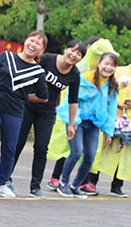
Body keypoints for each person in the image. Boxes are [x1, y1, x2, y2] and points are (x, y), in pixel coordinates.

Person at [0, 32, 48, 197]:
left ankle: (2, 184)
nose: (33, 44)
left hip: (15, 111)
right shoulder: (6, 56)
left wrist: (23, 96)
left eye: (38, 43)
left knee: (9, 148)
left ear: (41, 50)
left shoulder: (38, 72)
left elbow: (43, 97)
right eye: (32, 40)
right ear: (26, 40)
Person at [11, 40, 85, 197]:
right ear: (66, 49)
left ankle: (35, 186)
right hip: (28, 106)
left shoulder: (75, 75)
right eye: (73, 50)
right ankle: (6, 179)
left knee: (41, 148)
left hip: (47, 113)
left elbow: (73, 100)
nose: (74, 55)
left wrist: (71, 124)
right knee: (18, 143)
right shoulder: (47, 59)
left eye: (79, 54)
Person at [46, 36, 112, 191]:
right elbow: (70, 95)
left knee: (87, 153)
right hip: (71, 114)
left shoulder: (105, 74)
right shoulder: (79, 68)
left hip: (90, 120)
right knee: (70, 150)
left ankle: (78, 183)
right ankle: (57, 179)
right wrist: (72, 119)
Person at [55, 52, 119, 198]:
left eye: (112, 65)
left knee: (90, 156)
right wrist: (73, 122)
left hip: (94, 125)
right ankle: (63, 183)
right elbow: (71, 100)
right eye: (106, 63)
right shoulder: (84, 78)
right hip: (77, 122)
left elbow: (111, 109)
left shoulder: (112, 86)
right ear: (99, 63)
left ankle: (75, 185)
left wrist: (108, 131)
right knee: (76, 152)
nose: (108, 68)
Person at [83, 50, 131, 197]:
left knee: (125, 153)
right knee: (103, 148)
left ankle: (117, 185)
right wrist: (117, 103)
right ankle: (91, 181)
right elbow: (107, 88)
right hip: (113, 116)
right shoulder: (119, 71)